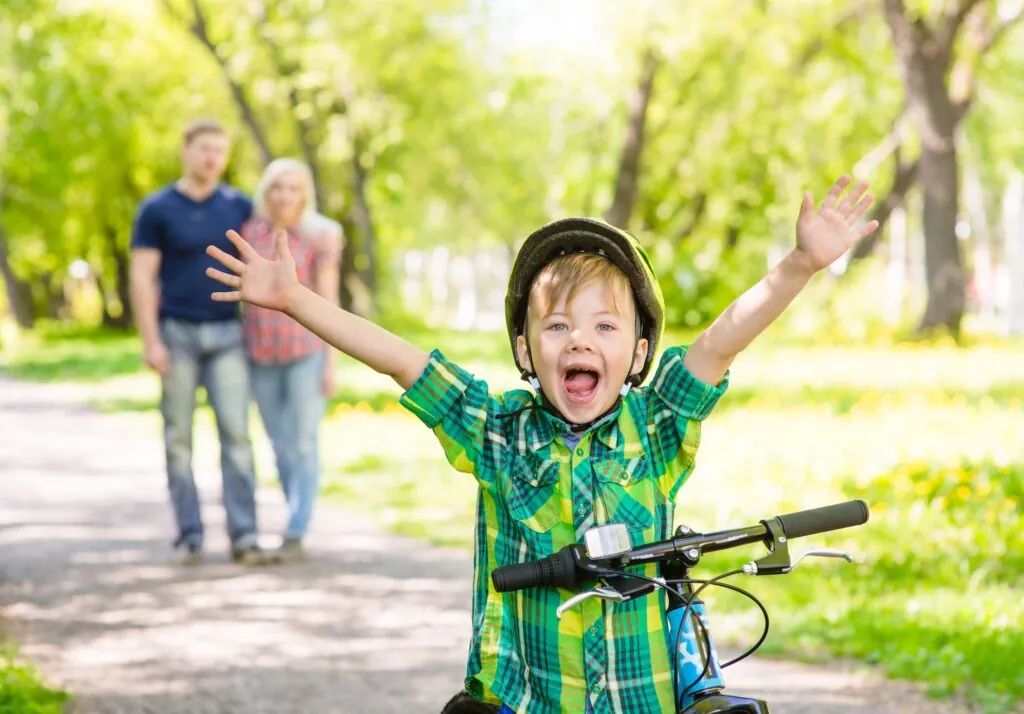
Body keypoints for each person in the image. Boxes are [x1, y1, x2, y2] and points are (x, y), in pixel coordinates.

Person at [204, 175, 879, 712]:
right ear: (526, 348)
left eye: (605, 327)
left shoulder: (659, 427)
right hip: (527, 695)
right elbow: (403, 361)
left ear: (640, 350)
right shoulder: (497, 431)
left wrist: (798, 265)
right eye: (557, 326)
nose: (580, 341)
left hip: (641, 697)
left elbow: (721, 340)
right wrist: (296, 300)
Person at [130, 118, 270, 566]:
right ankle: (189, 534)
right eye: (204, 148)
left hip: (229, 333)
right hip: (177, 334)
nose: (212, 158)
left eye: (220, 151)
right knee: (178, 438)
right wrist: (150, 340)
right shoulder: (156, 209)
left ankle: (245, 535)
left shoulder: (239, 206)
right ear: (185, 150)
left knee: (236, 436)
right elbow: (141, 276)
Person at [241, 158, 341, 560]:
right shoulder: (251, 233)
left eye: (293, 187)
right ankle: (294, 514)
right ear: (266, 192)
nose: (285, 195)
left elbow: (329, 301)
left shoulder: (321, 237)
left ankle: (296, 529)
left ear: (305, 194)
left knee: (302, 442)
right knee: (279, 445)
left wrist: (332, 362)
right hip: (261, 353)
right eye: (277, 187)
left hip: (306, 353)